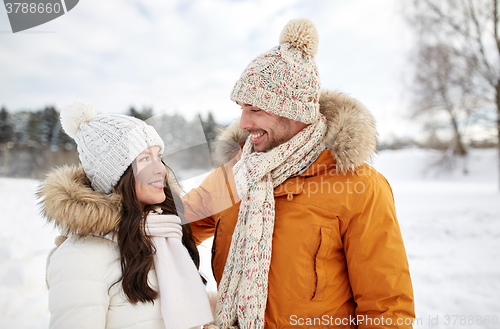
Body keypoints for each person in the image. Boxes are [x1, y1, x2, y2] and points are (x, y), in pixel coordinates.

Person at [182, 18, 415, 328]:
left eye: (255, 109)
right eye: (241, 108)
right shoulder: (235, 174)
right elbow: (174, 224)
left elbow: (386, 307)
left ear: (293, 112)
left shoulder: (359, 187)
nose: (243, 122)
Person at [37, 100, 214, 329]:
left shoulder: (163, 236)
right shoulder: (81, 257)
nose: (160, 168)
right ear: (117, 176)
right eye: (144, 159)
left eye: (158, 155)